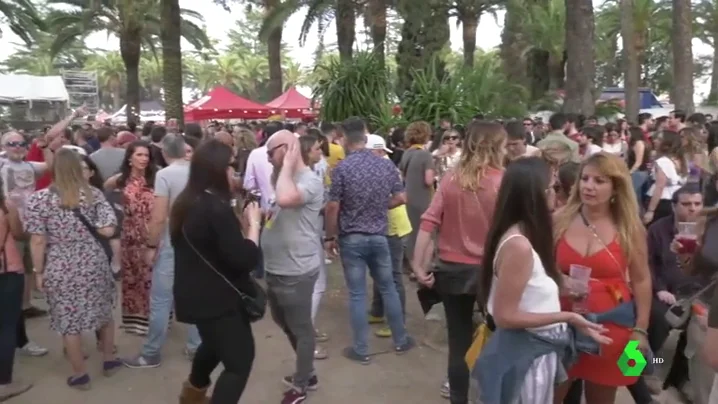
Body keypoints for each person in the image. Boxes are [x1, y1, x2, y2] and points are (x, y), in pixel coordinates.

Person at [476, 157, 609, 404]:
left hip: (553, 346)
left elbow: (530, 288)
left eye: (599, 181)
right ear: (537, 193)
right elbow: (505, 315)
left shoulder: (528, 235)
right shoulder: (523, 243)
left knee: (625, 374)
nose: (560, 194)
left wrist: (564, 286)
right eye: (554, 187)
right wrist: (567, 316)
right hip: (533, 350)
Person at [411, 121, 505, 404]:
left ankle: (459, 399)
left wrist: (418, 264)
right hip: (492, 273)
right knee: (500, 340)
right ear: (495, 145)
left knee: (458, 343)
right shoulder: (503, 181)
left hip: (452, 270)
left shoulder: (451, 178)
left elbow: (429, 222)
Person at [553, 152, 653, 403]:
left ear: (616, 187)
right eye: (585, 179)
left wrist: (641, 330)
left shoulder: (631, 227)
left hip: (612, 326)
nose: (589, 186)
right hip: (561, 323)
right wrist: (558, 279)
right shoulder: (558, 219)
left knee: (604, 396)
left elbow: (641, 280)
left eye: (599, 181)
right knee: (549, 396)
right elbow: (541, 268)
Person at [171, 139, 262, 403]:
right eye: (231, 167)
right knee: (239, 363)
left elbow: (215, 250)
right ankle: (194, 395)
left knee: (213, 346)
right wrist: (253, 227)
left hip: (196, 295)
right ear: (217, 170)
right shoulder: (214, 208)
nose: (235, 173)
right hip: (218, 300)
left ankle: (192, 395)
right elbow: (243, 259)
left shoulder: (188, 201)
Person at [24, 148, 121, 390]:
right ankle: (109, 360)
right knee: (104, 313)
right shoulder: (93, 194)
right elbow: (109, 227)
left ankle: (80, 375)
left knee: (69, 321)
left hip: (59, 263)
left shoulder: (38, 200)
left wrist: (38, 272)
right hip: (94, 261)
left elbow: (38, 240)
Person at [324, 117, 415, 364]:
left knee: (356, 293)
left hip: (351, 238)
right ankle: (401, 340)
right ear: (364, 139)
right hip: (379, 236)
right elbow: (401, 197)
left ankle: (361, 349)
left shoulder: (342, 168)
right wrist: (379, 205)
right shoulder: (385, 166)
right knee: (388, 288)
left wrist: (330, 236)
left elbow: (333, 206)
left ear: (344, 139)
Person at [123, 134, 201, 369]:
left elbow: (158, 218)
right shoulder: (200, 172)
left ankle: (151, 352)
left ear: (164, 153)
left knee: (160, 300)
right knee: (195, 296)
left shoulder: (165, 175)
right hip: (199, 244)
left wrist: (150, 245)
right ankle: (196, 345)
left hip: (172, 243)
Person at [262, 131, 324, 403]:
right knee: (282, 321)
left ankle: (301, 385)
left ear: (288, 149)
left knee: (301, 328)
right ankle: (306, 370)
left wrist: (287, 164)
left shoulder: (310, 180)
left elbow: (286, 199)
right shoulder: (281, 176)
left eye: (270, 150)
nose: (266, 156)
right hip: (276, 266)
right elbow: (279, 204)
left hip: (297, 269)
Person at [0, 176, 33, 401]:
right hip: (8, 269)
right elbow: (19, 233)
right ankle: (3, 383)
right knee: (6, 326)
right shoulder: (7, 206)